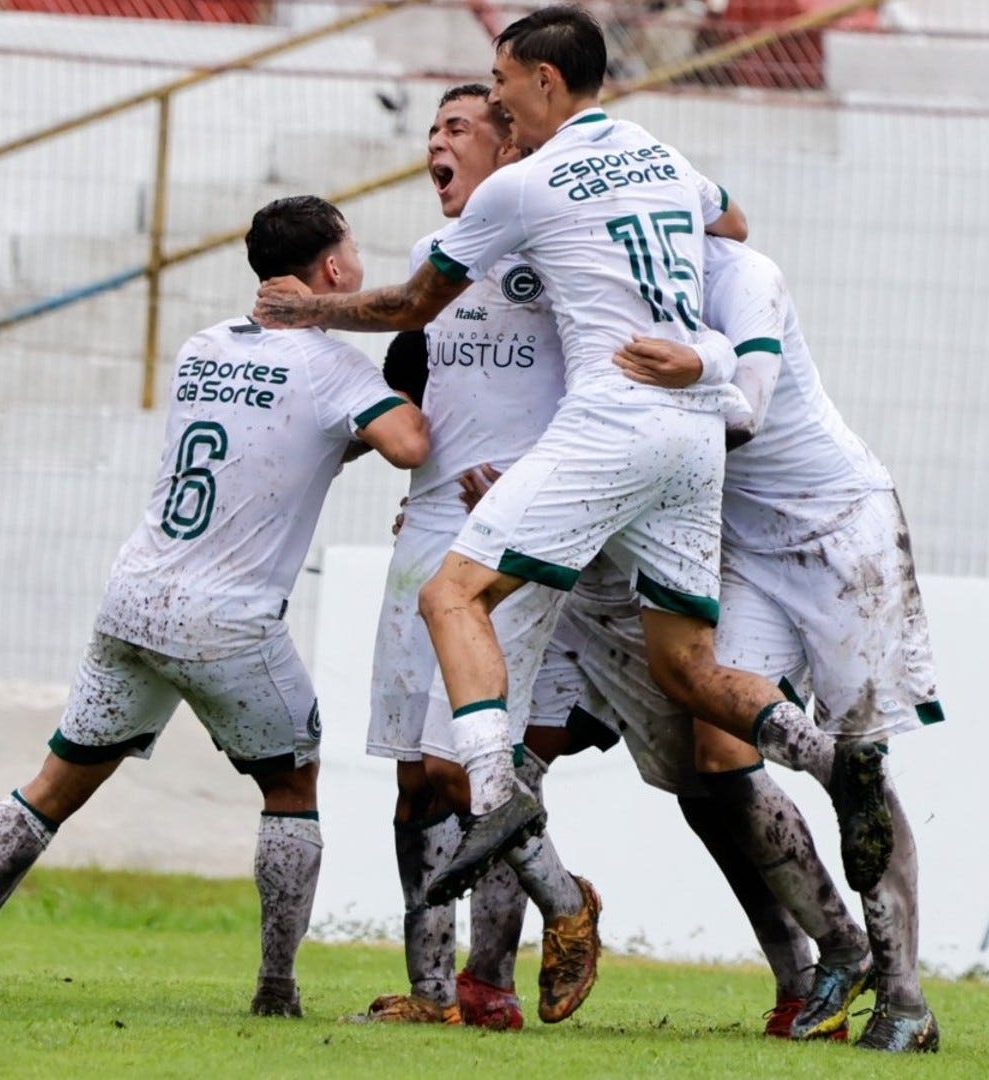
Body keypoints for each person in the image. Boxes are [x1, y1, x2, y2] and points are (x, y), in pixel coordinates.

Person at [252, 3, 892, 969]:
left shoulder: (529, 185)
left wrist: (309, 312)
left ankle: (499, 803)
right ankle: (832, 759)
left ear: (544, 82)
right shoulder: (660, 154)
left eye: (500, 83)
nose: (495, 100)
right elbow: (734, 222)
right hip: (691, 438)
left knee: (451, 593)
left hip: (610, 431)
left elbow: (408, 304)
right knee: (690, 672)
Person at [0, 196, 430, 1019]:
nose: (359, 260)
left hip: (136, 599)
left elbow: (276, 436)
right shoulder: (334, 368)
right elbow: (410, 446)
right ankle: (276, 991)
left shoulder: (203, 346)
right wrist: (400, 389)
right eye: (353, 248)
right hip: (225, 621)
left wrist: (350, 423)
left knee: (55, 782)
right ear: (333, 271)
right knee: (293, 785)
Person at [609, 235, 943, 1052]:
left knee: (860, 762)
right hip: (746, 547)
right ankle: (842, 944)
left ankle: (905, 1001)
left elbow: (748, 411)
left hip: (840, 528)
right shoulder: (615, 292)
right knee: (720, 749)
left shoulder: (745, 276)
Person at [355, 82, 585, 1031]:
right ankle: (437, 994)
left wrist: (537, 484)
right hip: (424, 531)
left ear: (509, 147)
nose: (435, 146)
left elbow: (599, 390)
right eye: (431, 131)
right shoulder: (428, 266)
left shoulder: (562, 251)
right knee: (416, 775)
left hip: (517, 537)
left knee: (469, 772)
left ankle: (568, 910)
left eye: (457, 128)